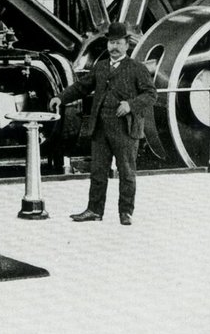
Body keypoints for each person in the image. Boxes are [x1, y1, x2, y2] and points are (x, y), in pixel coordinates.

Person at [50, 21, 156, 225]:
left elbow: (151, 94)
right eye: (110, 43)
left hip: (125, 129)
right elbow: (81, 87)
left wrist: (131, 105)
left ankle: (126, 212)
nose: (113, 47)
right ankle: (94, 210)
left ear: (127, 44)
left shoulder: (137, 68)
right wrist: (60, 98)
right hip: (100, 129)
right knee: (98, 172)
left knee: (126, 172)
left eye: (117, 43)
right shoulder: (100, 66)